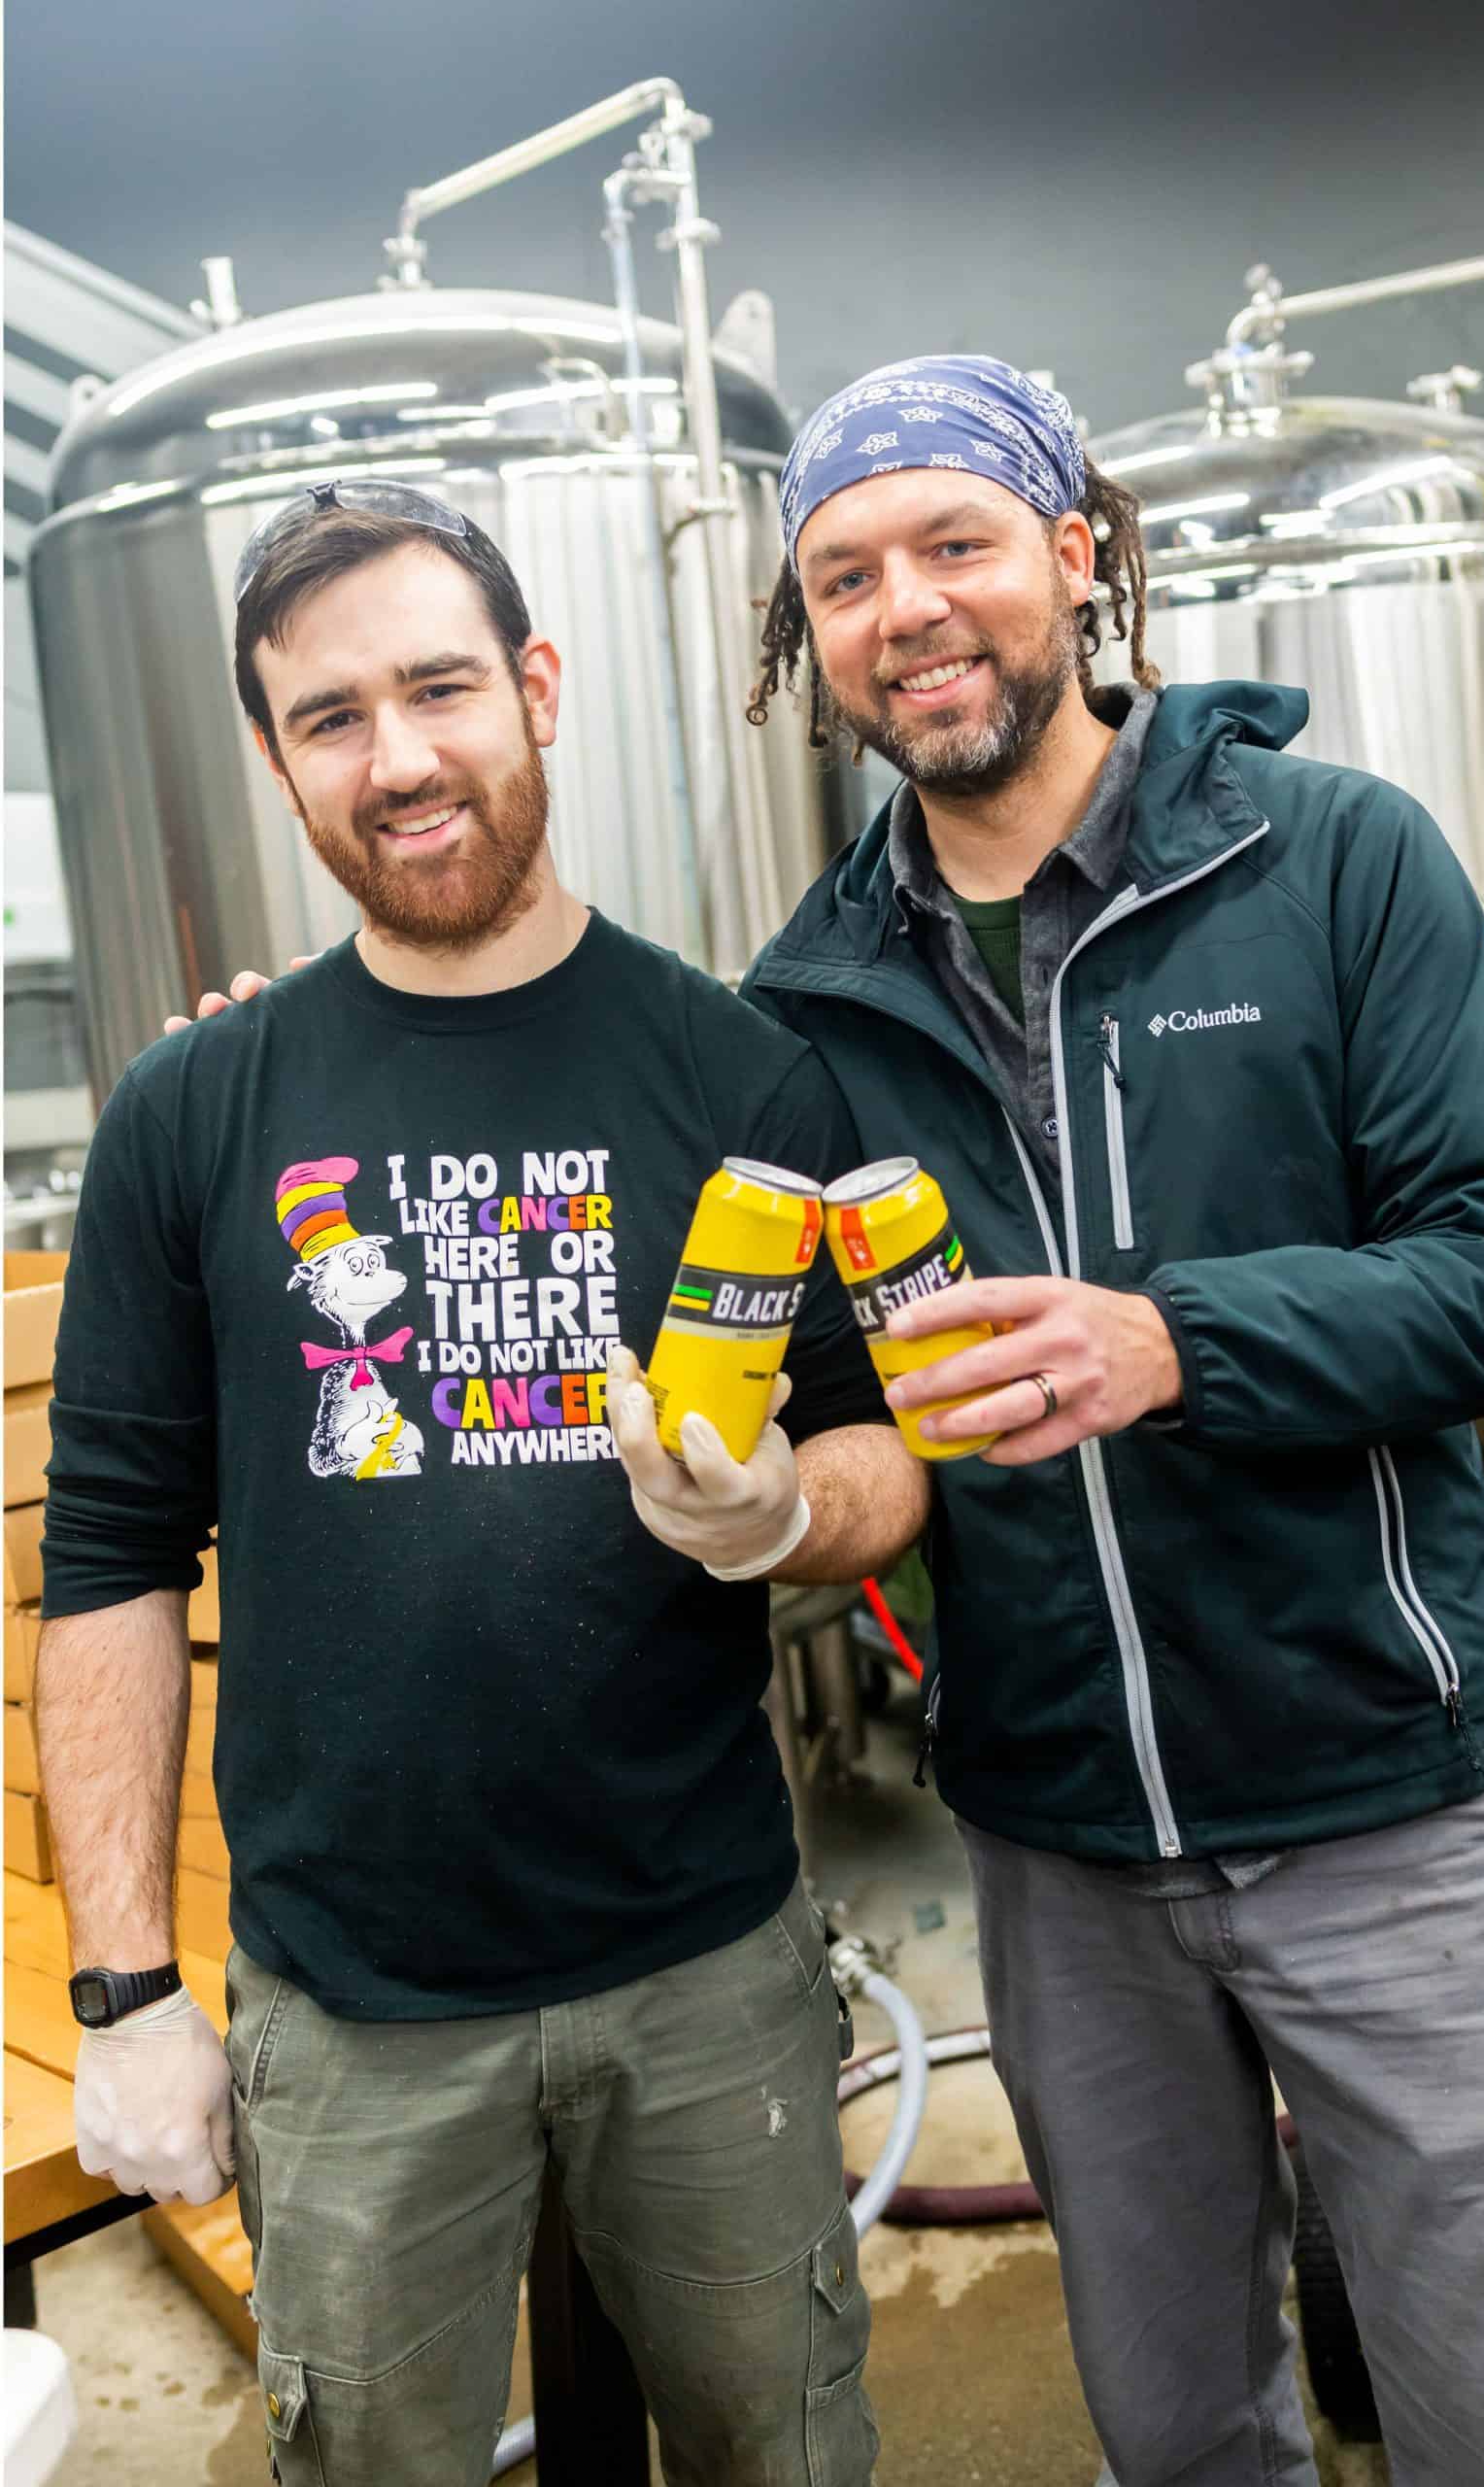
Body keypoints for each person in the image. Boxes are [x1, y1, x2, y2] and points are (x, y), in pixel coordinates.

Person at [726, 357, 1484, 2487]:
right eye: (845, 573)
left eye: (951, 542)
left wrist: (1169, 1343)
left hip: (1378, 1799)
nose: (906, 607)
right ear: (810, 636)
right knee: (1177, 2430)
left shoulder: (1329, 862)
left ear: (1072, 551)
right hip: (1057, 1849)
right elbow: (844, 1417)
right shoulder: (803, 999)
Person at [37, 480, 928, 2487]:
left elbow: (887, 1445)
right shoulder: (195, 1110)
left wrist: (794, 1515)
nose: (400, 754)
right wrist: (126, 1994)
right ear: (273, 758)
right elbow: (103, 1552)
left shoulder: (734, 1073)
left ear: (536, 685)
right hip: (351, 2007)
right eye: (329, 715)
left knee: (779, 2447)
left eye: (439, 687)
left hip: (705, 1964)